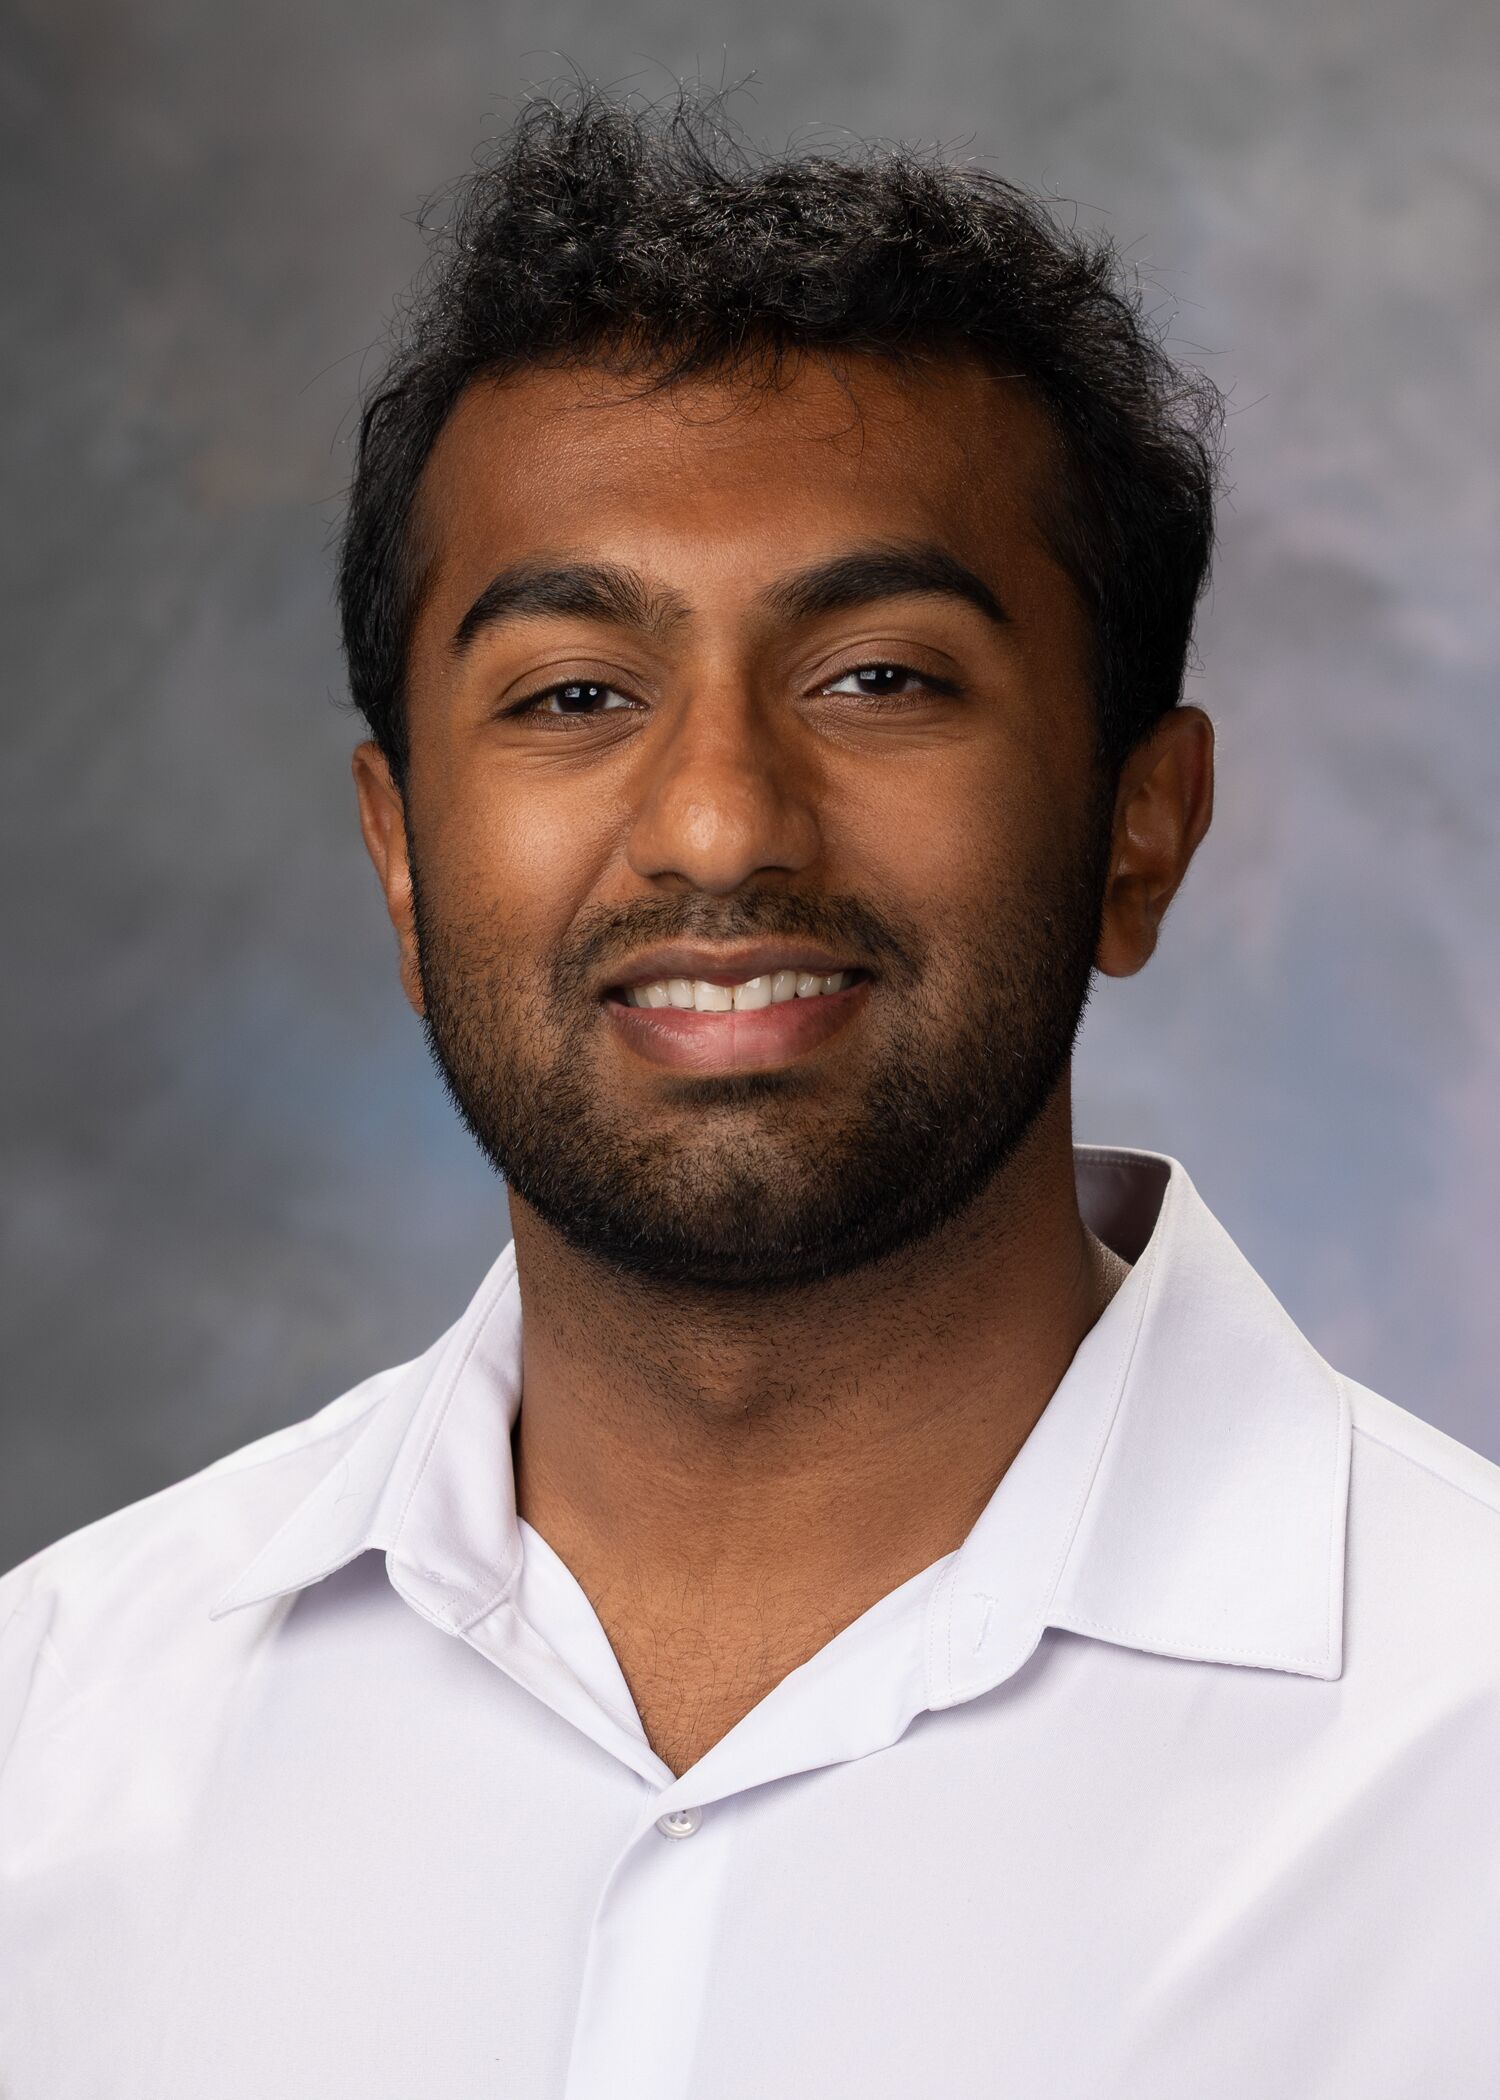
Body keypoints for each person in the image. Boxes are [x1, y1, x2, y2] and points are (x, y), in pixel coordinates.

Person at [2, 86, 1497, 2100]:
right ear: (401, 857)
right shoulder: (56, 1744)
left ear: (1145, 829)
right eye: (572, 696)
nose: (716, 819)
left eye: (879, 677)